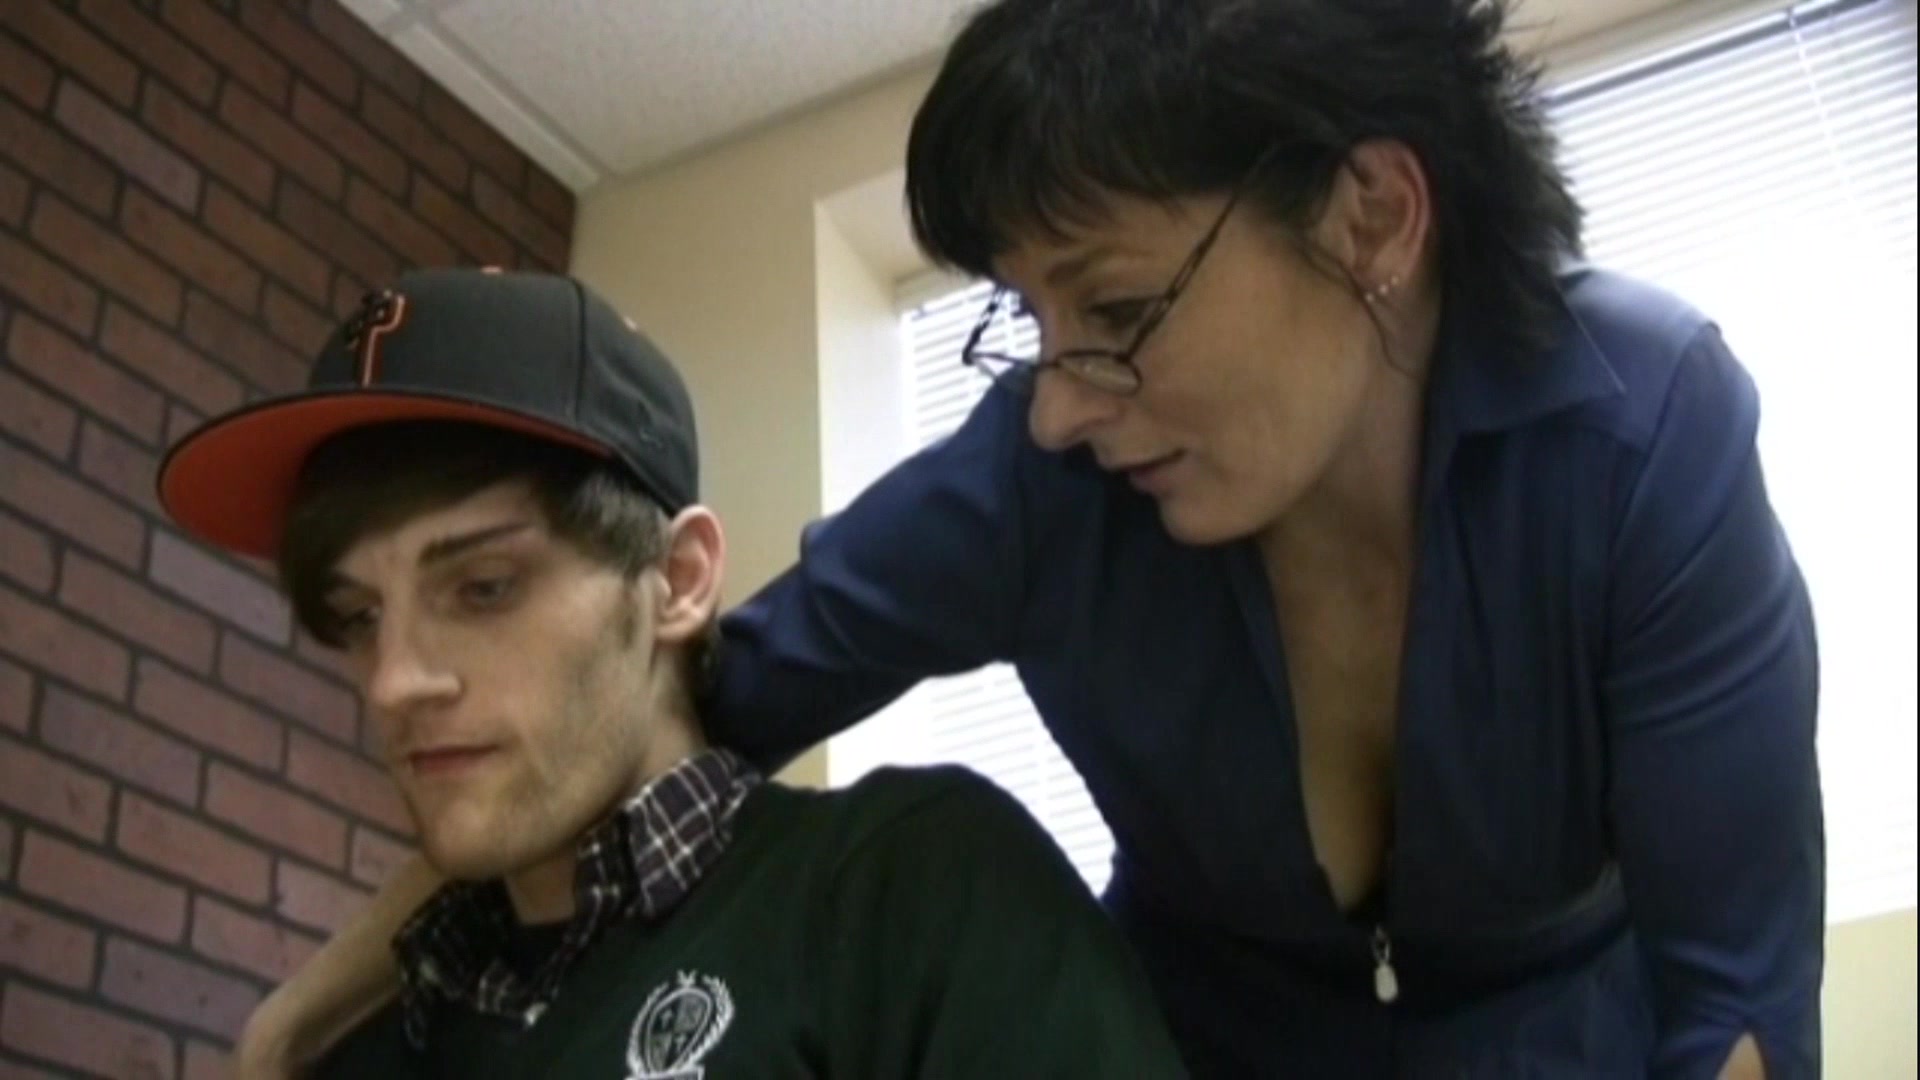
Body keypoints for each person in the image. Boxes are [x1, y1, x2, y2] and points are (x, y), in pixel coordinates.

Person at [236, 0, 1826, 1075]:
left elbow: (1738, 984)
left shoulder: (1643, 432)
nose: (1059, 403)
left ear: (1374, 218)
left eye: (1117, 309)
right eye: (1031, 320)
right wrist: (311, 1009)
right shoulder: (1039, 482)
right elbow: (663, 714)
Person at [156, 267, 1186, 1077]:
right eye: (358, 616)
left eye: (483, 588)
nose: (392, 682)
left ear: (680, 579)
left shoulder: (904, 897)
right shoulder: (357, 1051)